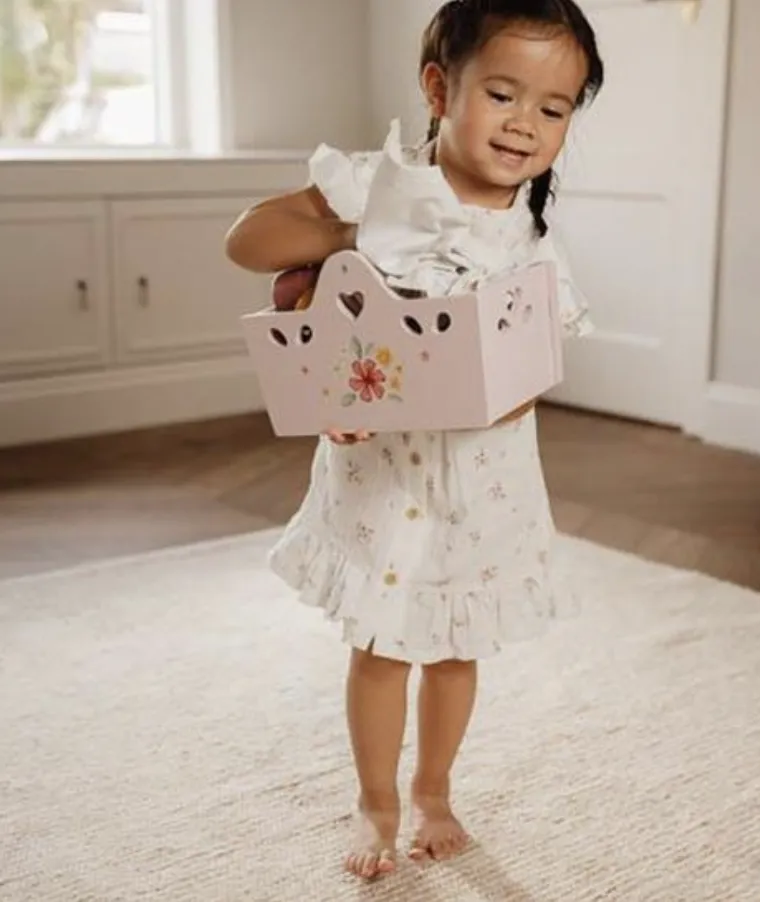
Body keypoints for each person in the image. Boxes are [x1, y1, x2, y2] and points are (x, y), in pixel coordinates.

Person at [225, 0, 604, 881]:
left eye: (553, 108)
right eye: (503, 94)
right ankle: (377, 800)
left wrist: (481, 391)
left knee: (455, 645)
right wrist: (359, 234)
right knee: (383, 643)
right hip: (383, 473)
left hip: (479, 482)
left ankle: (434, 790)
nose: (525, 123)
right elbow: (249, 242)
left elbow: (525, 380)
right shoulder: (378, 186)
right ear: (439, 89)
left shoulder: (530, 241)